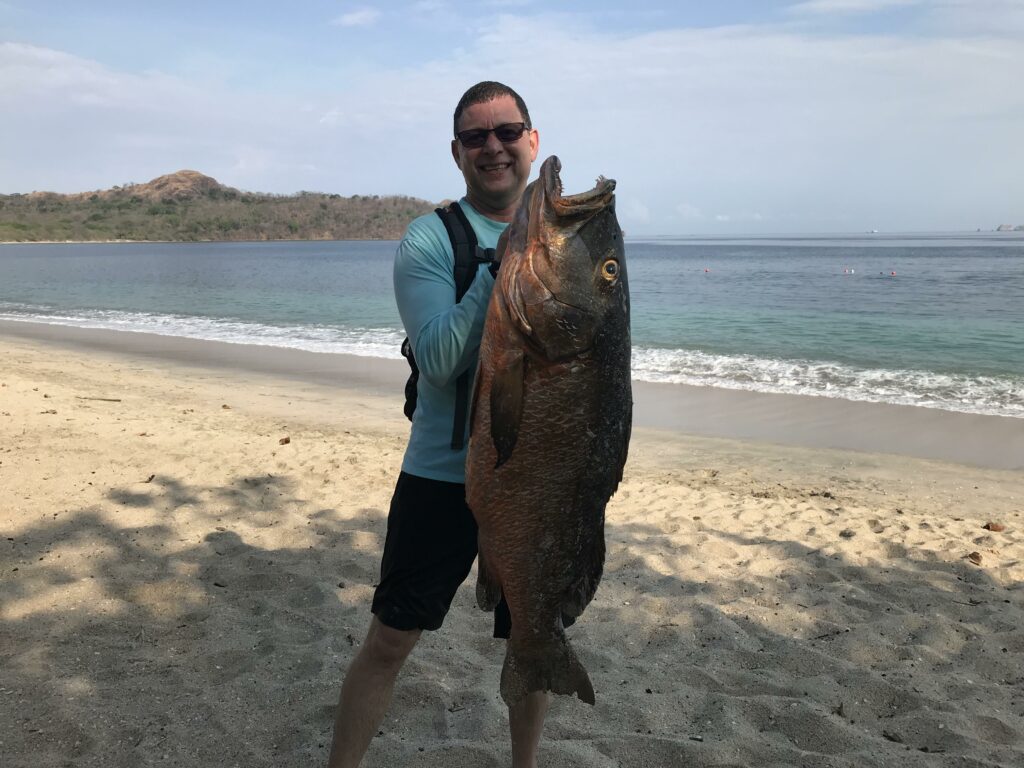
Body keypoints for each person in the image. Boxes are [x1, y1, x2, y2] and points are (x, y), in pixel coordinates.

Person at [326, 81, 543, 768]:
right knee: (390, 640)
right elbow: (442, 360)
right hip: (441, 475)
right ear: (457, 153)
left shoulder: (562, 234)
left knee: (532, 643)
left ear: (531, 141)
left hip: (533, 478)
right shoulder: (429, 239)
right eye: (476, 137)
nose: (494, 148)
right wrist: (502, 264)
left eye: (507, 131)